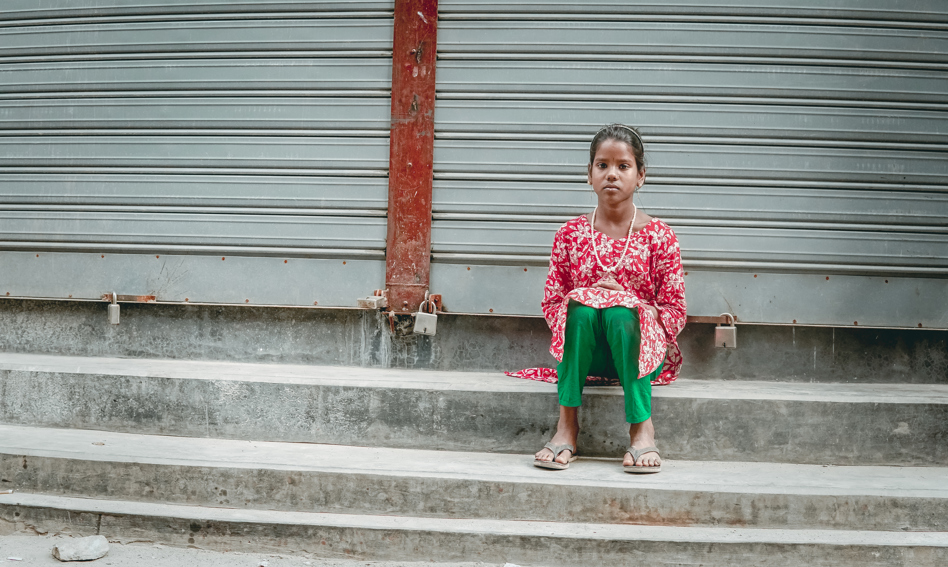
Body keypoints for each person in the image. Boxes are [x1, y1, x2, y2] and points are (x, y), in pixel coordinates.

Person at [509, 124, 686, 473]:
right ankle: (566, 426)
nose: (612, 175)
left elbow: (676, 312)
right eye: (602, 165)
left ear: (641, 176)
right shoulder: (570, 234)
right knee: (582, 310)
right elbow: (552, 304)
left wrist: (631, 304)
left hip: (637, 355)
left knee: (621, 313)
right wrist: (587, 298)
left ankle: (641, 429)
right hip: (584, 356)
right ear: (588, 175)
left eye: (623, 166)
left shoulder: (660, 238)